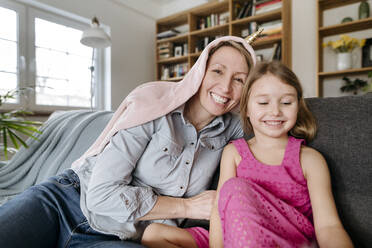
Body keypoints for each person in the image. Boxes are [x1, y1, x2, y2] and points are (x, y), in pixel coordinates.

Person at [0, 36, 256, 247]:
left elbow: (275, 134)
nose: (225, 87)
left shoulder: (233, 129)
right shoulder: (154, 102)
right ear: (200, 70)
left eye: (239, 79)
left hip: (122, 237)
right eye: (218, 71)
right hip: (66, 201)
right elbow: (100, 195)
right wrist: (187, 207)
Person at [208, 61, 354, 247]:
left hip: (294, 242)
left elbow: (329, 226)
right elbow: (219, 210)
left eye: (286, 102)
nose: (275, 111)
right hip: (238, 238)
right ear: (246, 109)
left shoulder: (310, 160)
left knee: (235, 188)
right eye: (263, 102)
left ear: (298, 107)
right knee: (160, 233)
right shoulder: (234, 153)